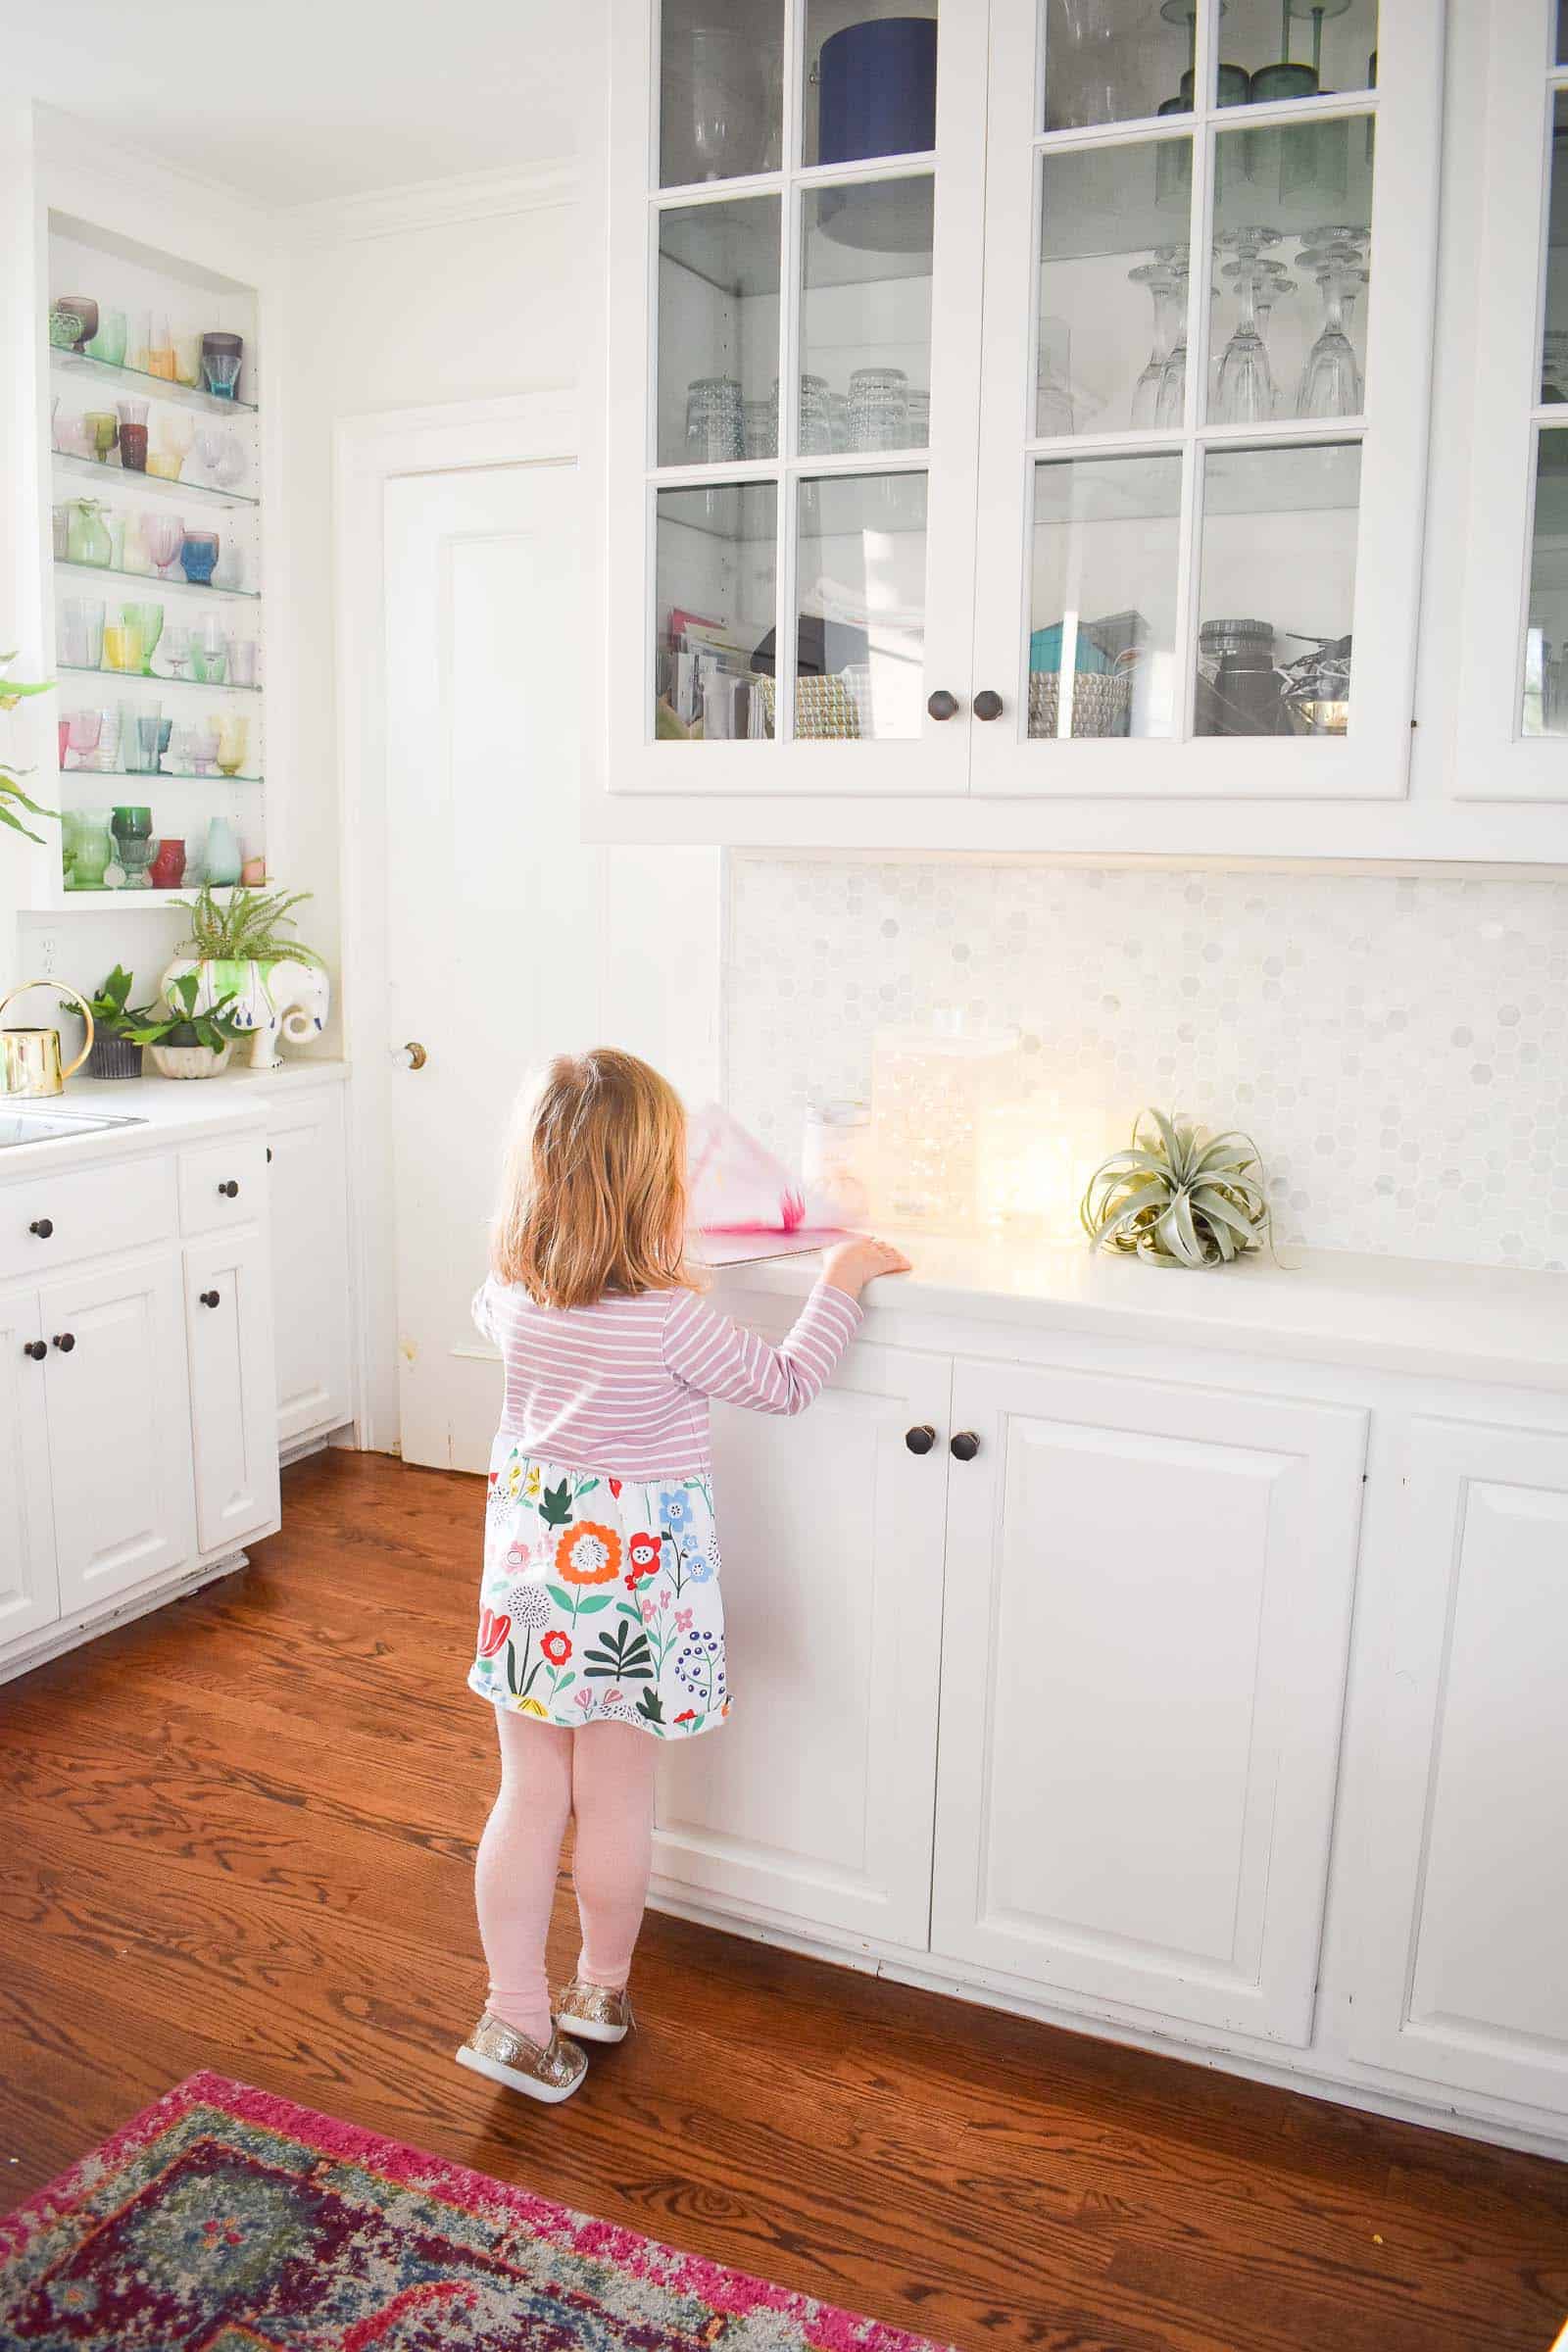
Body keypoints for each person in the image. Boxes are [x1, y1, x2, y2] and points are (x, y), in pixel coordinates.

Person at [457, 1049, 910, 2103]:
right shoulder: (667, 1321)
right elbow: (789, 1383)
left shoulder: (513, 1298)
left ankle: (514, 2016)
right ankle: (598, 1990)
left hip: (533, 1582)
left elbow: (498, 1304)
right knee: (616, 1798)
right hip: (633, 1602)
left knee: (529, 1793)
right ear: (659, 1189)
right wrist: (840, 1276)